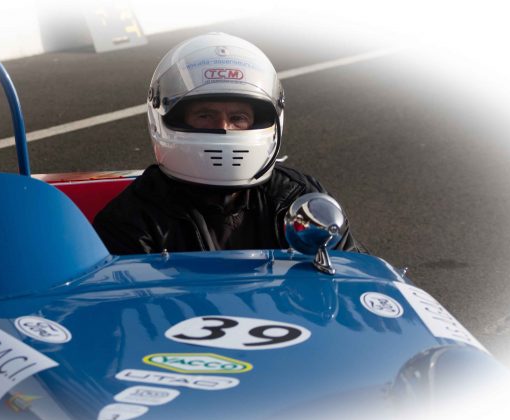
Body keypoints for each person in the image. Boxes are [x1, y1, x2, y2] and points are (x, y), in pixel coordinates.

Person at [93, 33, 366, 255]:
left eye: (238, 117)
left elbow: (348, 279)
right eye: (205, 116)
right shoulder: (132, 219)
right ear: (164, 117)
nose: (223, 128)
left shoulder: (299, 199)